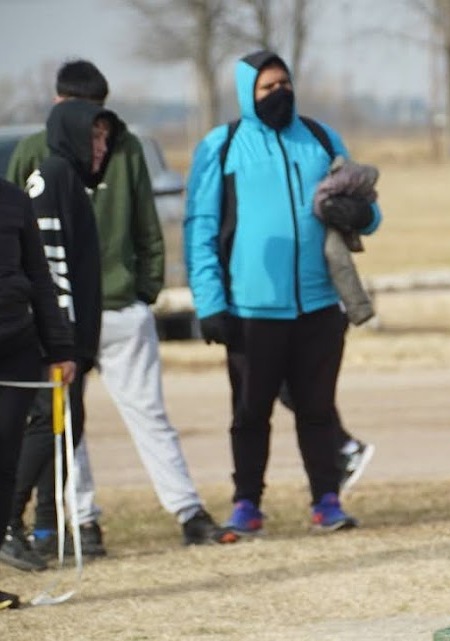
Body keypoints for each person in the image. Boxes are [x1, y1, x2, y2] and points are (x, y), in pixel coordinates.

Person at [2, 60, 236, 572]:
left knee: (142, 415)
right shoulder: (39, 162)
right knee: (62, 425)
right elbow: (37, 251)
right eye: (86, 124)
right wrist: (53, 331)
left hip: (115, 313)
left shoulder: (122, 152)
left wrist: (144, 290)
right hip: (63, 325)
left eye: (101, 126)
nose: (98, 141)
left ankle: (187, 511)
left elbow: (147, 228)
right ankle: (74, 519)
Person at [184, 50, 381, 535]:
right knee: (250, 413)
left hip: (318, 306)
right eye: (267, 88)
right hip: (250, 309)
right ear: (248, 94)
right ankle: (247, 504)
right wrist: (210, 303)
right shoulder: (223, 146)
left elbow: (367, 207)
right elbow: (201, 227)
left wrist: (362, 217)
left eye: (284, 84)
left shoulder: (319, 138)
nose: (279, 94)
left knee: (317, 410)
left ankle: (326, 501)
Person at [0, 98, 114, 573]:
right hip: (32, 347)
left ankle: (29, 525)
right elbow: (54, 272)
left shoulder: (28, 195)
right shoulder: (51, 177)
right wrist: (62, 342)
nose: (101, 148)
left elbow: (46, 276)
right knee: (47, 429)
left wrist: (67, 345)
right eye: (94, 137)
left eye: (107, 138)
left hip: (34, 343)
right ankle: (21, 523)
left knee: (23, 450)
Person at [0, 177, 77, 609]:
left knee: (4, 463)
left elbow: (38, 276)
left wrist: (60, 347)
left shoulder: (13, 199)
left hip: (15, 347)